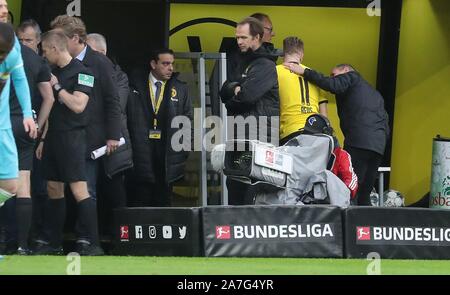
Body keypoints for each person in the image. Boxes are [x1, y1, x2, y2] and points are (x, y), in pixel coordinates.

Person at [50, 15, 122, 250]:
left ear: (74, 38)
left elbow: (112, 100)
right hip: (62, 134)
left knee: (86, 187)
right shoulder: (55, 64)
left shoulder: (99, 62)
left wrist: (113, 134)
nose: (55, 43)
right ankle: (54, 238)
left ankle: (87, 238)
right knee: (57, 186)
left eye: (60, 38)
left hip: (91, 136)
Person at [35, 30, 102, 255]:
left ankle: (92, 244)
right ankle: (53, 243)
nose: (43, 55)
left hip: (73, 138)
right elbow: (51, 108)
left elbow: (78, 105)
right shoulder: (51, 71)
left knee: (79, 190)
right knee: (53, 188)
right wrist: (43, 138)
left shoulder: (84, 73)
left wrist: (57, 88)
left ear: (55, 48)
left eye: (45, 51)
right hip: (53, 137)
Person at [285, 63, 389, 206]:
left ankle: (347, 224)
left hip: (358, 142)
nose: (332, 78)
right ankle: (365, 226)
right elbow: (385, 119)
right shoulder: (374, 94)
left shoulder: (352, 77)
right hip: (378, 146)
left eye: (334, 74)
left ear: (346, 70)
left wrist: (304, 71)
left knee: (350, 189)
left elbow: (332, 85)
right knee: (365, 193)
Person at [219, 17, 279, 205]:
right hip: (240, 137)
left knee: (253, 196)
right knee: (235, 190)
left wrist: (235, 93)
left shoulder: (265, 65)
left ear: (258, 37)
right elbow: (224, 90)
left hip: (259, 140)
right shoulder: (242, 63)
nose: (239, 42)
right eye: (237, 37)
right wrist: (234, 90)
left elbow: (246, 97)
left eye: (244, 37)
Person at [7, 26, 54, 254]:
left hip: (4, 124)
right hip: (26, 127)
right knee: (24, 186)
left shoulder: (5, 54)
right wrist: (37, 124)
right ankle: (21, 246)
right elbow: (49, 98)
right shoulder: (37, 61)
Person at [127, 48, 192, 207]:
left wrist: (183, 151)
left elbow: (187, 121)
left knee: (164, 199)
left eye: (172, 64)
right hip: (142, 149)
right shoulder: (134, 85)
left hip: (167, 151)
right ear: (153, 64)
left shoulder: (180, 88)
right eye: (165, 64)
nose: (170, 68)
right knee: (141, 197)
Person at [86, 33, 132, 236]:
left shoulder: (119, 76)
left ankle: (121, 239)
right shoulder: (82, 72)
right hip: (88, 143)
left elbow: (115, 105)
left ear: (102, 53)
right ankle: (90, 238)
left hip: (113, 145)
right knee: (88, 193)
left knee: (115, 194)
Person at [277, 36, 328, 145]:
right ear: (301, 55)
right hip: (317, 133)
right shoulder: (316, 76)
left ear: (283, 54)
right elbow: (324, 116)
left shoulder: (275, 71)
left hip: (290, 132)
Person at [301, 114, 358, 199]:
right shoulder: (301, 151)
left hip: (333, 202)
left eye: (314, 136)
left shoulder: (340, 154)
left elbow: (351, 180)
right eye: (307, 135)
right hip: (304, 200)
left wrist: (340, 196)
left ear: (326, 136)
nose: (310, 139)